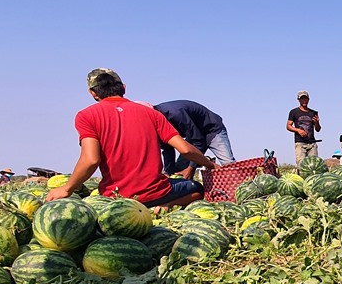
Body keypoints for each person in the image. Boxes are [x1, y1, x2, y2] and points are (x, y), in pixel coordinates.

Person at [45, 69, 217, 208]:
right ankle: (167, 205)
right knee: (196, 189)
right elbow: (186, 149)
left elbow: (91, 160)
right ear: (124, 87)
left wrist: (67, 189)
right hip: (156, 194)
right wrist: (210, 165)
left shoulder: (86, 116)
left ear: (93, 93)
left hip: (115, 199)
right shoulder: (151, 113)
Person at [154, 100, 235, 179]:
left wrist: (191, 168)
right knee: (181, 168)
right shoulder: (155, 125)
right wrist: (169, 174)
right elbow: (167, 149)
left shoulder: (175, 113)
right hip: (193, 135)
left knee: (229, 166)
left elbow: (199, 141)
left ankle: (238, 188)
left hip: (212, 130)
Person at [287, 90, 322, 164]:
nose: (304, 100)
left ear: (308, 99)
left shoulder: (313, 112)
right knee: (301, 165)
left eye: (305, 98)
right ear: (298, 100)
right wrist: (298, 130)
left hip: (312, 144)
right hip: (300, 143)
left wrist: (317, 123)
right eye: (302, 98)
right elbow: (288, 126)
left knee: (314, 165)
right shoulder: (294, 112)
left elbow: (318, 129)